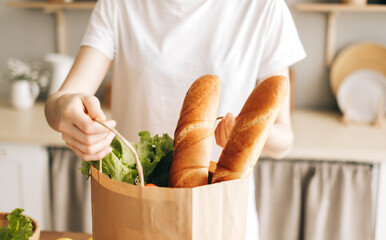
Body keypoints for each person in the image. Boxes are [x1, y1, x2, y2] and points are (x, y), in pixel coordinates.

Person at [45, 0, 305, 239]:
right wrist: (64, 110)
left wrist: (245, 135)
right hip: (138, 212)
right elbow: (61, 100)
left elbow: (284, 140)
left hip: (219, 216)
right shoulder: (120, 4)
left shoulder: (263, 7)